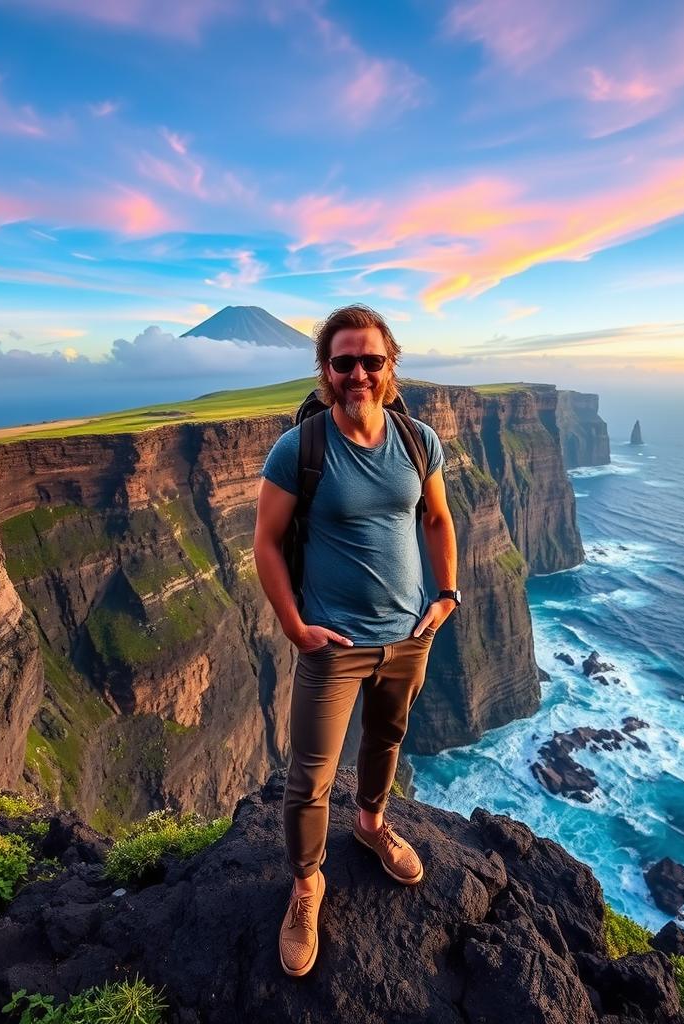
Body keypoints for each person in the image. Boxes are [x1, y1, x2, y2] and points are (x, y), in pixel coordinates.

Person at [253, 303, 459, 977]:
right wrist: (293, 625)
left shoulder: (417, 439)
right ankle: (307, 885)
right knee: (310, 778)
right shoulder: (301, 448)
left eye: (372, 361)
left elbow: (436, 518)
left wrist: (447, 594)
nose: (359, 374)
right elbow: (266, 542)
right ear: (327, 371)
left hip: (407, 638)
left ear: (390, 366)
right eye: (344, 363)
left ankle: (371, 825)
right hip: (332, 649)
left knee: (386, 739)